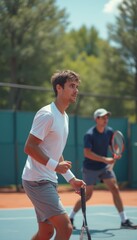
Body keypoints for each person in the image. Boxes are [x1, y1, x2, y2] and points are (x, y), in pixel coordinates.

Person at [22, 70, 86, 240]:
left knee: (46, 232)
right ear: (59, 88)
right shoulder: (47, 114)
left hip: (48, 179)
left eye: (77, 86)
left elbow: (55, 151)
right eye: (72, 86)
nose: (76, 90)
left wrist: (71, 179)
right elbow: (29, 147)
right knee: (65, 228)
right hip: (37, 181)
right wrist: (55, 166)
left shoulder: (64, 117)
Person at [69, 108, 137, 230]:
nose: (106, 119)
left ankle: (124, 220)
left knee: (115, 189)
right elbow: (87, 153)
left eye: (107, 117)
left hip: (104, 168)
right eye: (103, 117)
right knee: (87, 196)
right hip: (90, 168)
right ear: (96, 119)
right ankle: (70, 218)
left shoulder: (109, 131)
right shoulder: (90, 134)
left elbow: (113, 145)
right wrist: (105, 159)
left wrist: (115, 153)